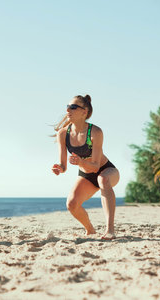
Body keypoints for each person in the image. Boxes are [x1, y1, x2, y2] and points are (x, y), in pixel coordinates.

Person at [51, 95, 120, 240]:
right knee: (71, 204)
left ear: (84, 112)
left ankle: (110, 230)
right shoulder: (63, 134)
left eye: (73, 107)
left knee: (103, 179)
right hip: (86, 176)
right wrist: (59, 168)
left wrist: (80, 162)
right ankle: (90, 230)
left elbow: (95, 166)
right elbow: (64, 165)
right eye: (68, 106)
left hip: (106, 170)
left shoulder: (95, 132)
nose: (68, 109)